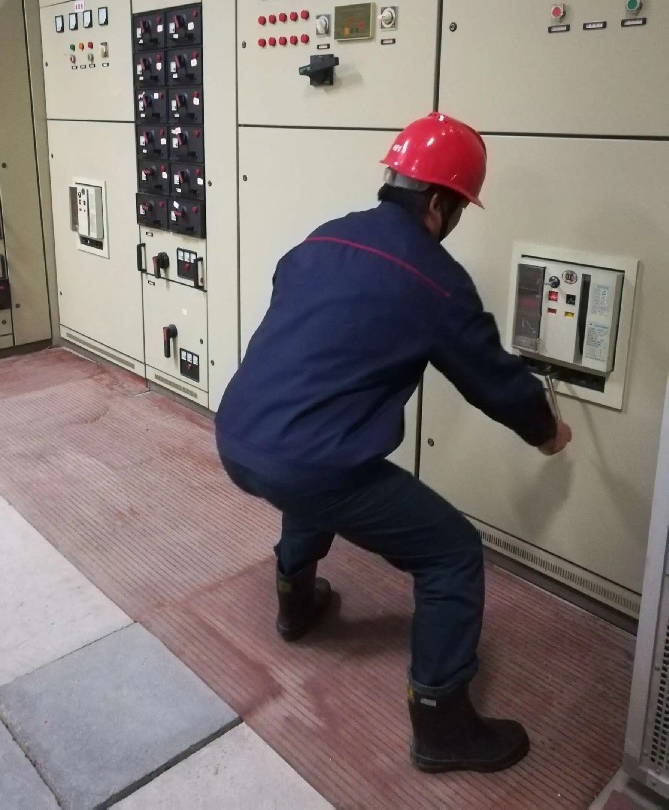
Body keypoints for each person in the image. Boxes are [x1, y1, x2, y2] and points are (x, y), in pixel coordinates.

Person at [214, 112, 572, 775]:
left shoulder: (322, 238)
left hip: (238, 433)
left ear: (393, 176)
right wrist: (547, 432)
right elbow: (492, 379)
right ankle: (442, 725)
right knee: (451, 553)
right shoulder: (436, 278)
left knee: (316, 470)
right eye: (457, 207)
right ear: (439, 203)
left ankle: (296, 604)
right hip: (307, 459)